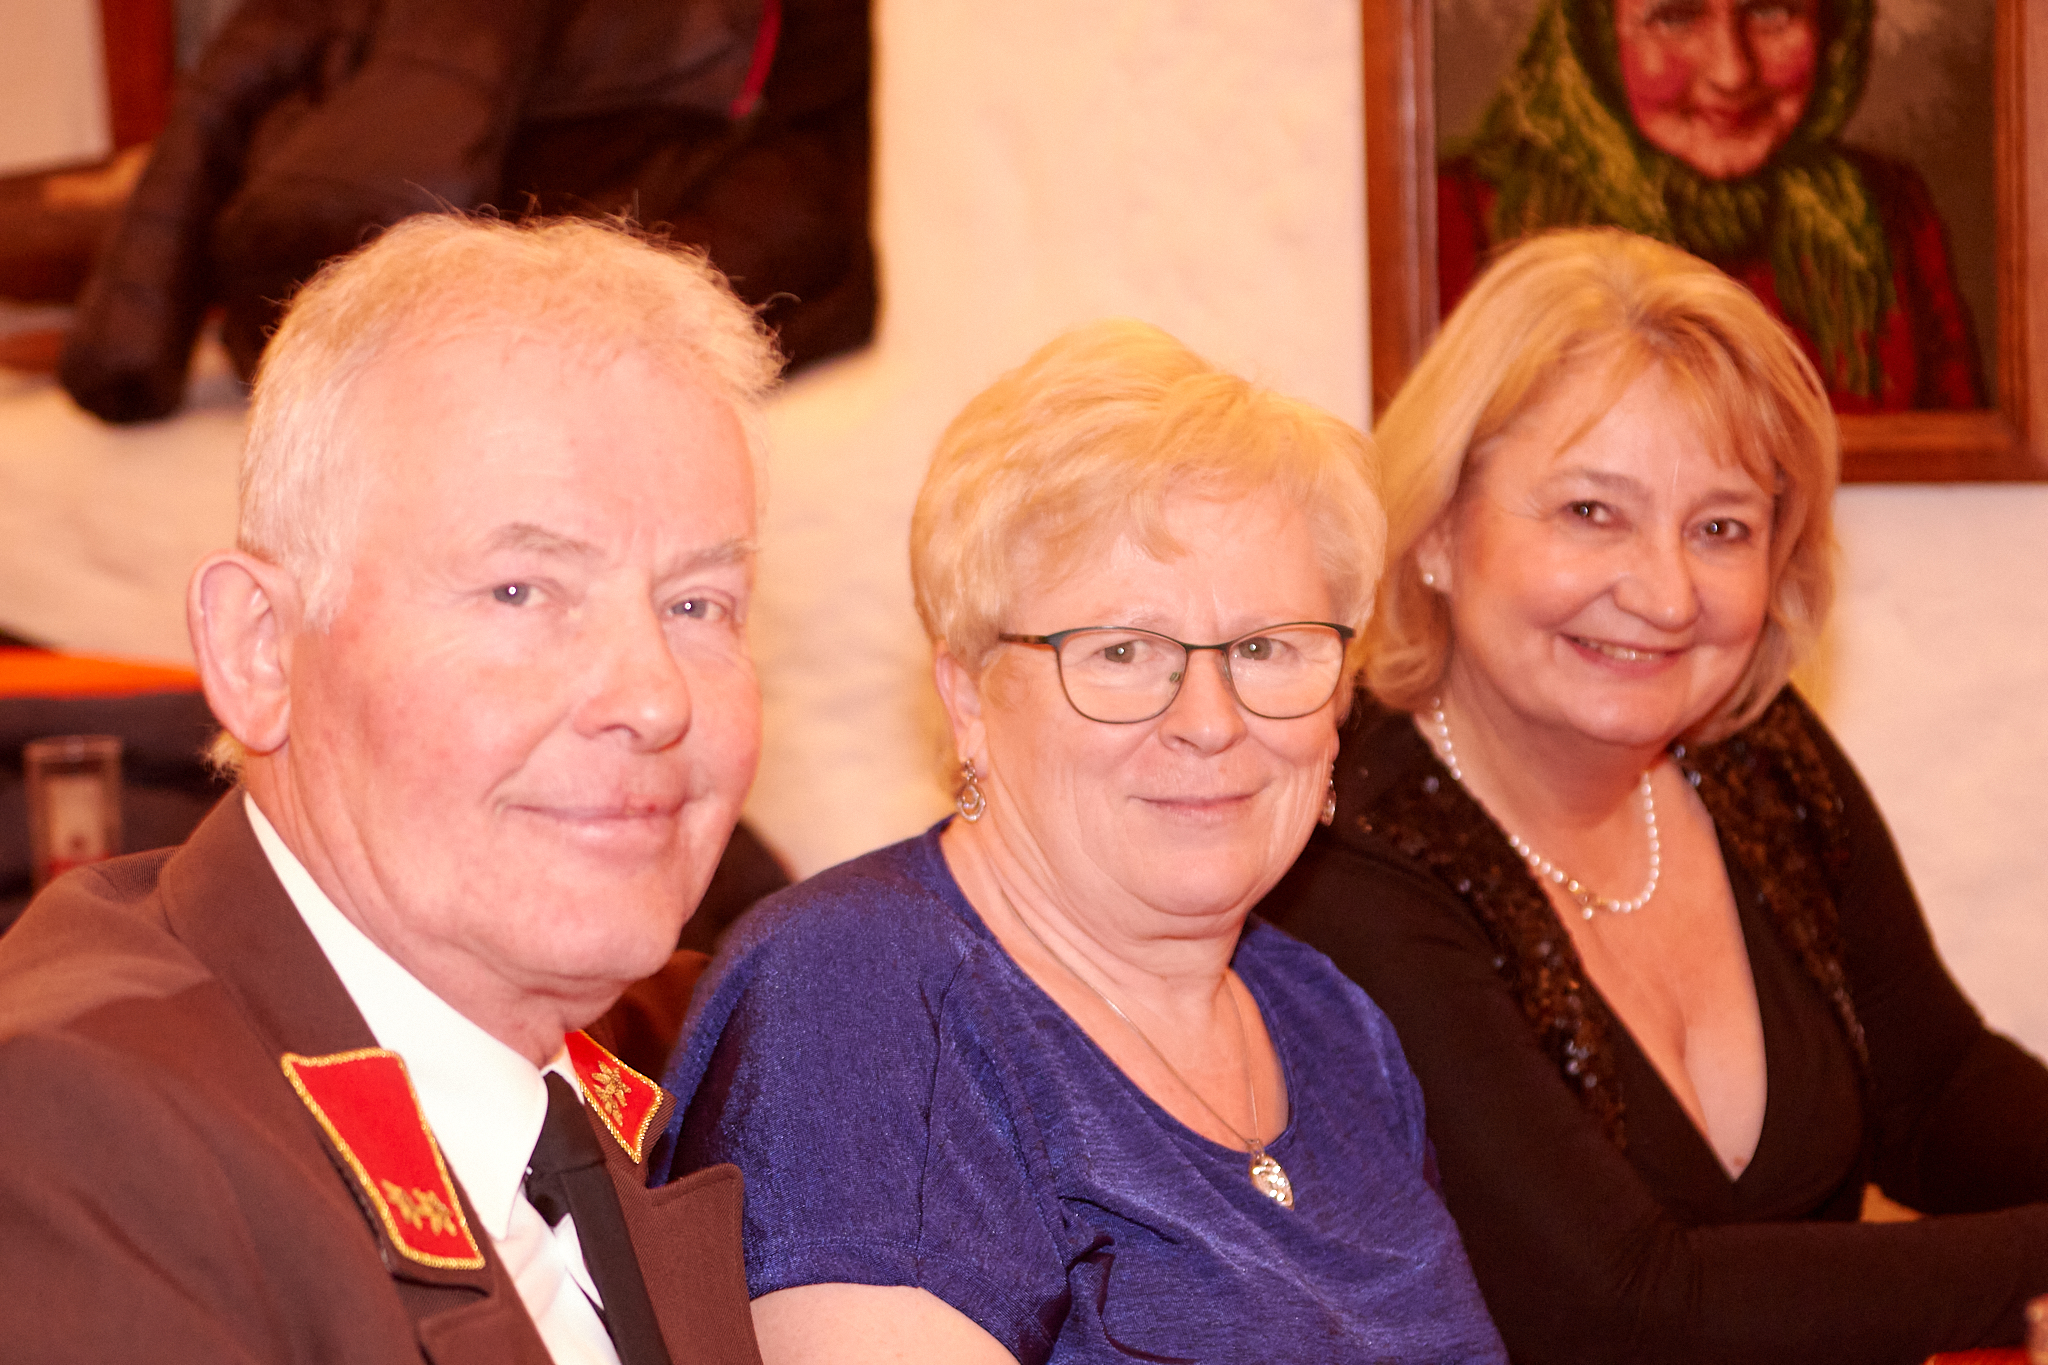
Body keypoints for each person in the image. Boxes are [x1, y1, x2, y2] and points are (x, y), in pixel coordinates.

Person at [0, 214, 782, 1365]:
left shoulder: (714, 1058)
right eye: (520, 591)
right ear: (261, 651)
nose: (653, 697)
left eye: (695, 605)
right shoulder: (77, 1131)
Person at [1261, 228, 2048, 1365]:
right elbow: (1627, 1308)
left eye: (1720, 528)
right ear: (1434, 527)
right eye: (1591, 511)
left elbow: (1930, 1093)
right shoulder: (1350, 852)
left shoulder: (1754, 751)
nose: (1667, 595)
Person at [662, 321, 1509, 1364]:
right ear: (969, 699)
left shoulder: (1332, 1025)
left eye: (1263, 647)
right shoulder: (862, 995)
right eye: (1120, 652)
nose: (1209, 720)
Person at [1440, 0, 1983, 411]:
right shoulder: (1467, 215)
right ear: (1595, 34)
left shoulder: (1887, 212)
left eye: (1772, 11)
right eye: (1675, 17)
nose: (1732, 72)